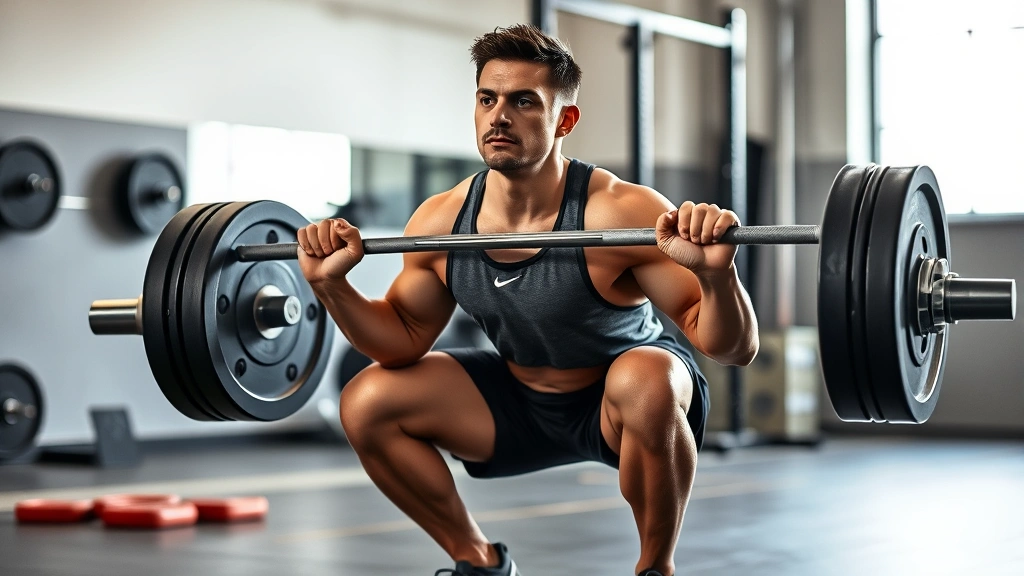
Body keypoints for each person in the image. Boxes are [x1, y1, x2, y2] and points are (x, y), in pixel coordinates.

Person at [296, 24, 759, 576]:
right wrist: (331, 286)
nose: (498, 117)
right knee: (368, 400)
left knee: (647, 379)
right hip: (517, 400)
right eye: (487, 99)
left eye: (523, 102)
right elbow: (400, 340)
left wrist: (716, 276)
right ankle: (480, 562)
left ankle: (655, 568)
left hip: (623, 400)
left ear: (564, 120)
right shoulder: (443, 221)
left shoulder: (620, 212)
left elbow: (732, 349)